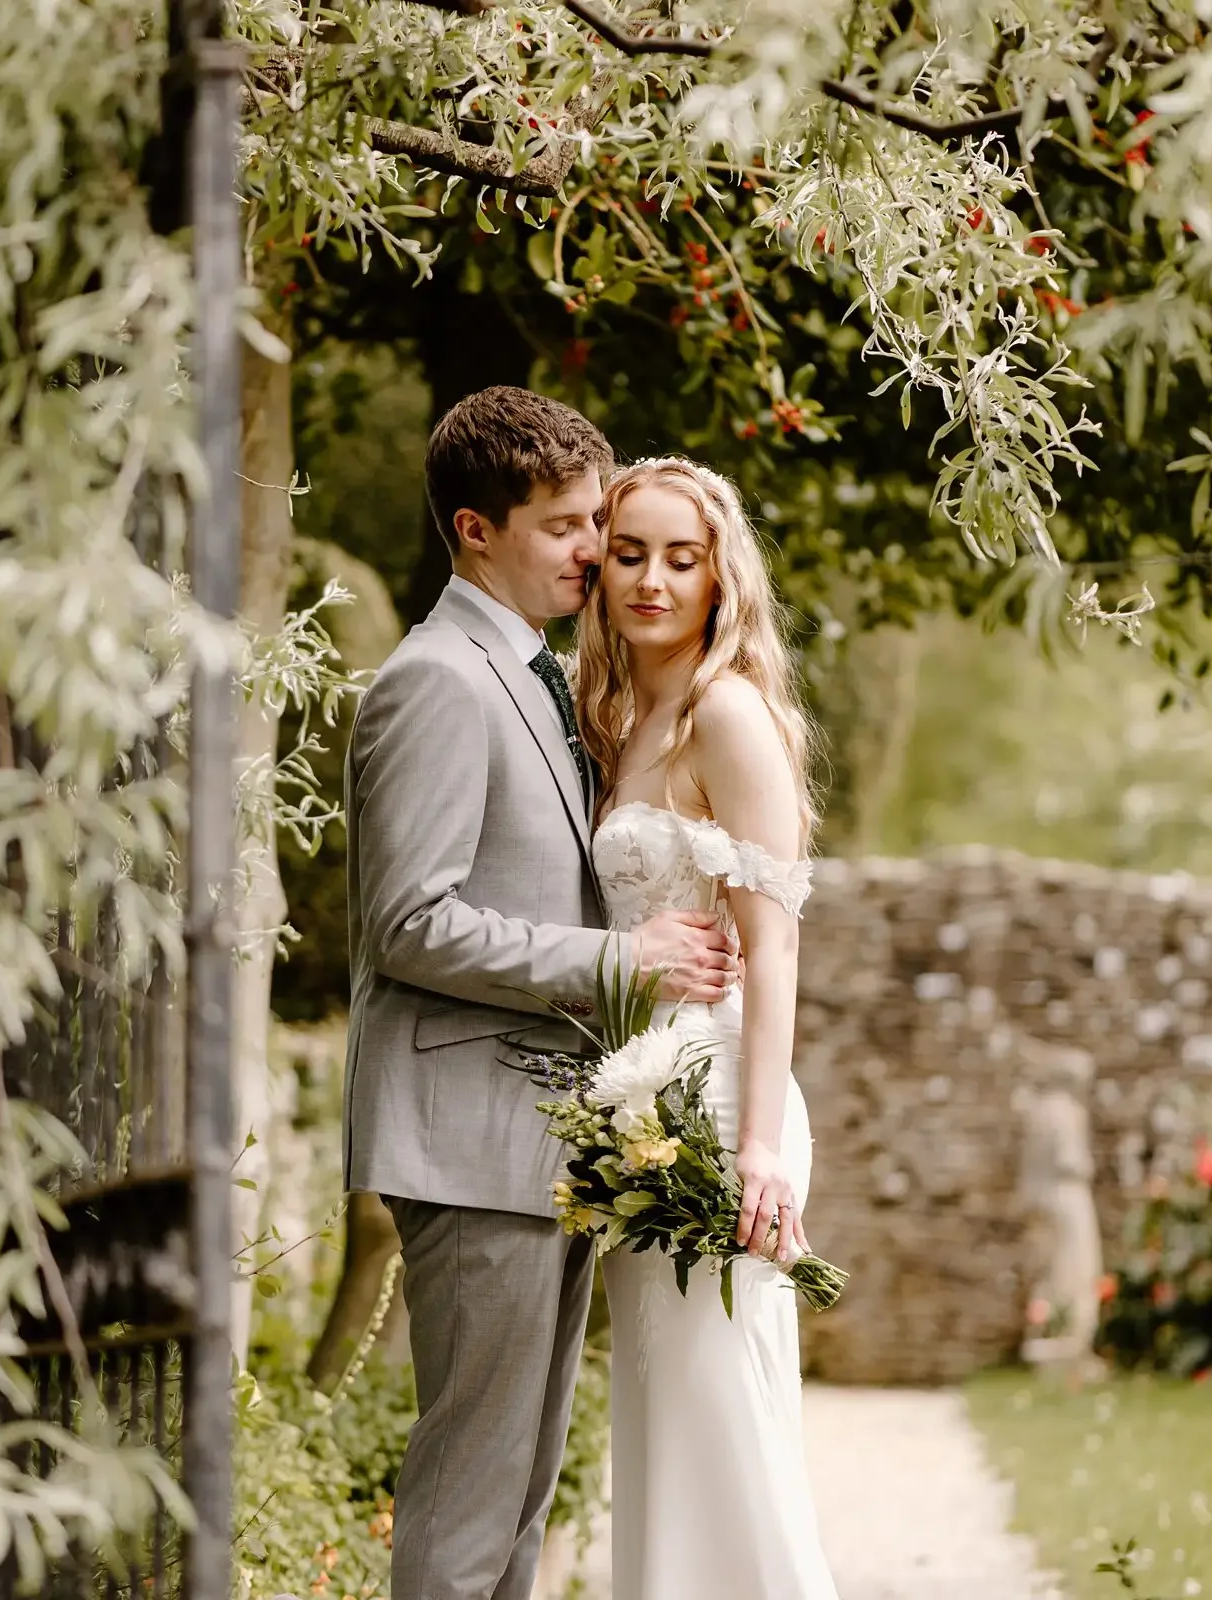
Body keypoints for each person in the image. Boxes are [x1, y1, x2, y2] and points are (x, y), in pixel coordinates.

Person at [343, 389, 741, 1600]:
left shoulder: (531, 673)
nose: (594, 551)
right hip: (467, 1143)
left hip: (539, 1143)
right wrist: (621, 965)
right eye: (566, 525)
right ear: (475, 529)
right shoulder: (438, 682)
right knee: (472, 1498)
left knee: (520, 1497)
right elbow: (407, 923)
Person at [575, 455, 841, 1599]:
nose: (652, 579)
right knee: (669, 1423)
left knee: (724, 1418)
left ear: (720, 574)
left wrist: (758, 1146)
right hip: (644, 1092)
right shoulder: (626, 712)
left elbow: (772, 943)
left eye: (682, 558)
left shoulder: (726, 714)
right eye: (630, 552)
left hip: (720, 1100)